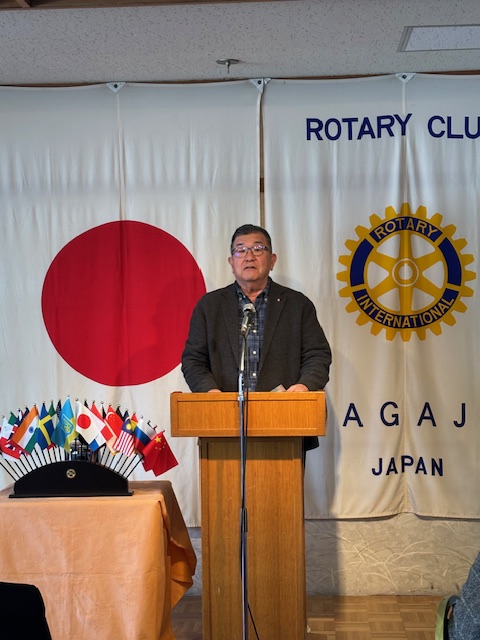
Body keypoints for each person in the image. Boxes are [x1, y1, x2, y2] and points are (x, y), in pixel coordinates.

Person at [181, 223, 332, 453]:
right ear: (231, 262)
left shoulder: (297, 304)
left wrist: (303, 386)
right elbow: (193, 360)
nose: (249, 256)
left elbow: (318, 355)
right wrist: (210, 394)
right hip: (223, 425)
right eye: (240, 250)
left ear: (272, 260)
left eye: (258, 249)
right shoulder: (210, 306)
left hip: (284, 421)